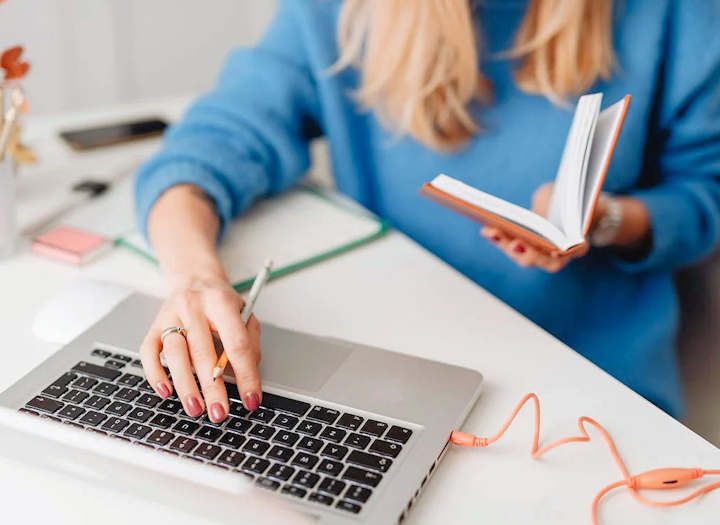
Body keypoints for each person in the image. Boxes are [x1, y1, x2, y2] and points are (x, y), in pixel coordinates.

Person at [134, 0, 720, 422]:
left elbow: (705, 193)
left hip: (590, 388)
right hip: (389, 376)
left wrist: (610, 219)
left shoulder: (675, 15)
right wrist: (195, 279)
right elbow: (206, 149)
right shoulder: (340, 14)